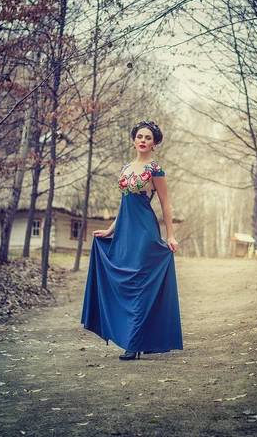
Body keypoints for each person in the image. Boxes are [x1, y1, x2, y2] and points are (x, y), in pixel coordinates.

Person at [81, 120, 183, 360]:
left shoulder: (155, 169)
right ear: (133, 140)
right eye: (140, 136)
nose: (143, 140)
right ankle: (129, 336)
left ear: (154, 143)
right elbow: (124, 205)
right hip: (125, 230)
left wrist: (170, 234)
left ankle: (133, 343)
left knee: (138, 283)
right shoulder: (126, 168)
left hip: (144, 230)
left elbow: (165, 204)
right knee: (124, 281)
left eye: (148, 137)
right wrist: (109, 231)